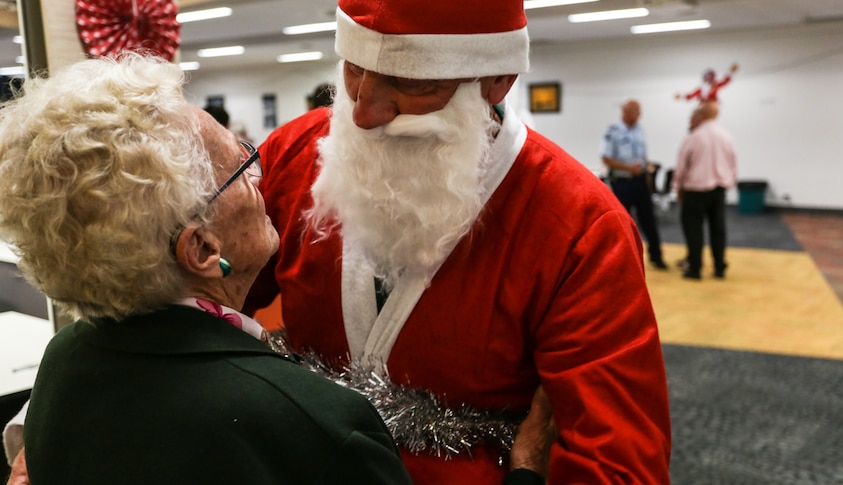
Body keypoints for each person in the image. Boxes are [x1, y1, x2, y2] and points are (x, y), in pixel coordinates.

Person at [244, 0, 672, 483]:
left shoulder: (580, 225)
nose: (363, 112)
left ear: (498, 79)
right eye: (354, 69)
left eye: (408, 81)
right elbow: (197, 306)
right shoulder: (295, 153)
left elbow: (617, 462)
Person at [0, 54, 413, 484]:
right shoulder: (313, 422)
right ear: (201, 248)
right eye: (241, 166)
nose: (260, 178)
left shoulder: (63, 360)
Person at [672, 102, 738, 280]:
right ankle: (719, 267)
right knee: (718, 229)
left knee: (694, 229)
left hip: (695, 190)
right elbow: (733, 162)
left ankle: (695, 268)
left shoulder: (694, 137)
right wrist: (729, 182)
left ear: (700, 116)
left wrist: (678, 186)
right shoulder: (726, 135)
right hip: (719, 189)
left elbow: (682, 165)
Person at [601, 99, 669, 270]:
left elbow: (643, 156)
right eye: (636, 112)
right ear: (626, 112)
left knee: (649, 220)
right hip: (622, 183)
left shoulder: (640, 131)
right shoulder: (613, 132)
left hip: (640, 182)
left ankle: (656, 256)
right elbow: (606, 158)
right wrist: (628, 168)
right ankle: (620, 260)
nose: (640, 116)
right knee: (622, 222)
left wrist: (647, 175)